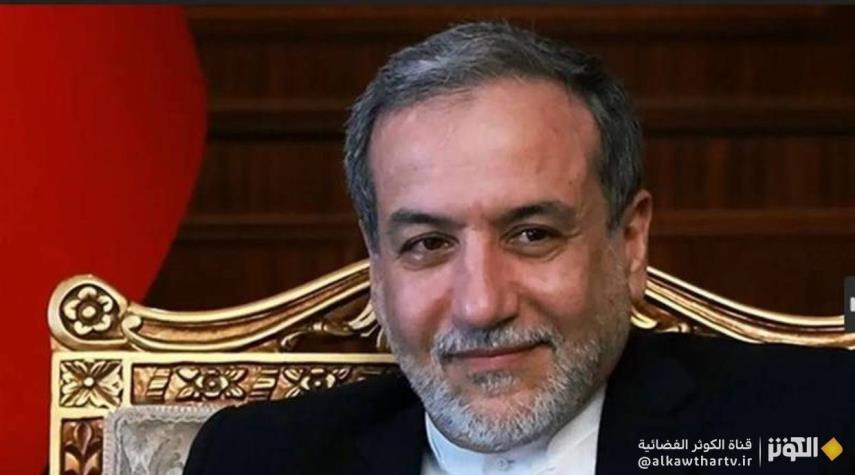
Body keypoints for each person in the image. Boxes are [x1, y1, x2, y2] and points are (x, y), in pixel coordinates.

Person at [184, 22, 855, 475]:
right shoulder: (254, 459)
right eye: (427, 243)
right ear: (378, 269)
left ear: (629, 242)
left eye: (532, 234)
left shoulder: (819, 426)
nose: (481, 305)